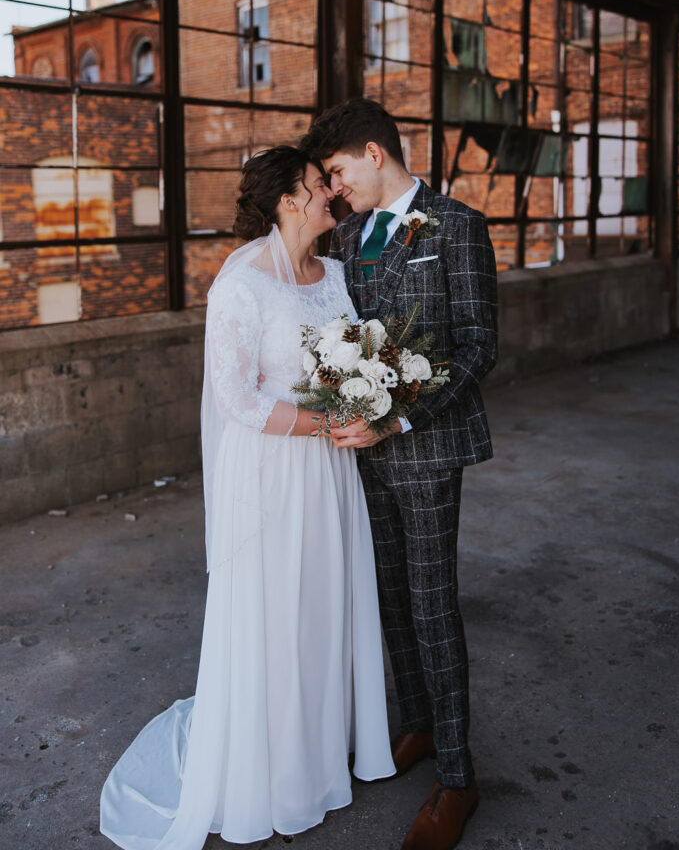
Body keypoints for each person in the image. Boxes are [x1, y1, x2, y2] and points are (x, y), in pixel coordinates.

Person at [100, 146, 395, 850]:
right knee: (271, 612)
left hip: (328, 473)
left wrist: (368, 407)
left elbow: (352, 358)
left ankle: (320, 755)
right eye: (319, 185)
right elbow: (236, 399)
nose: (332, 193)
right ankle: (273, 771)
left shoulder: (336, 276)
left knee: (323, 605)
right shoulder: (241, 285)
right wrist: (325, 420)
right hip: (269, 472)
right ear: (289, 200)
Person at [300, 99, 498, 850]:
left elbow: (480, 344)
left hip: (426, 446)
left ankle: (458, 777)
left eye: (341, 172)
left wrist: (403, 416)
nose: (337, 188)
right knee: (387, 597)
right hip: (360, 449)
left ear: (375, 155)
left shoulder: (457, 224)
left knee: (432, 603)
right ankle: (415, 723)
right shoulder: (349, 234)